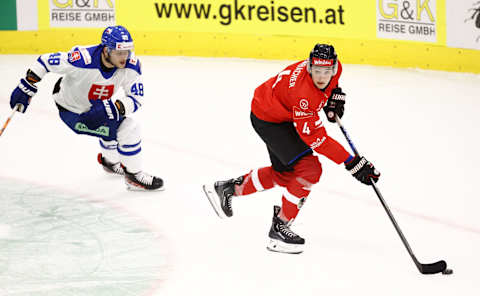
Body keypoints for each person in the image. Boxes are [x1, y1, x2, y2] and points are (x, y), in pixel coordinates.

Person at [203, 44, 380, 254]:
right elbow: (317, 139)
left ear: (333, 68)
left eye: (326, 71)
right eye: (317, 72)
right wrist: (352, 163)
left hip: (280, 110)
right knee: (309, 170)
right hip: (269, 118)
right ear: (308, 68)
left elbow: (328, 88)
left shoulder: (335, 69)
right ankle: (280, 228)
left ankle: (229, 188)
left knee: (286, 175)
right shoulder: (304, 97)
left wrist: (332, 99)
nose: (322, 77)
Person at [9, 25, 163, 191]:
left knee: (111, 116)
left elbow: (136, 98)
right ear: (105, 51)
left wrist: (116, 108)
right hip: (73, 112)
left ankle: (109, 162)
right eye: (119, 53)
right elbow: (45, 61)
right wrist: (27, 84)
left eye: (126, 51)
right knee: (130, 129)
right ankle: (134, 177)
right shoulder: (82, 59)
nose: (124, 57)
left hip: (94, 104)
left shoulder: (130, 66)